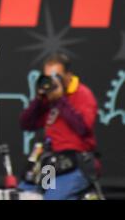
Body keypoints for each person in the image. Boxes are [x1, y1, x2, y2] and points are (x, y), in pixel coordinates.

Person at [18, 53, 100, 200]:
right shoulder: (49, 99)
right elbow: (26, 124)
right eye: (48, 76)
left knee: (52, 198)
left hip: (75, 165)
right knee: (30, 195)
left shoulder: (82, 94)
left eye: (57, 76)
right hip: (51, 165)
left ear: (68, 75)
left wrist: (61, 99)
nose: (52, 80)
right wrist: (39, 100)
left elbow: (83, 128)